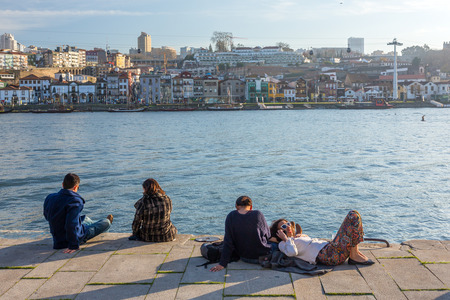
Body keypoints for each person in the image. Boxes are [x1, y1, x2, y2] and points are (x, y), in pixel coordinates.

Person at [271, 210, 374, 266]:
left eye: (288, 224)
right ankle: (354, 256)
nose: (288, 226)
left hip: (330, 248)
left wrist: (299, 235)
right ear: (280, 233)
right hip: (328, 255)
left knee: (355, 215)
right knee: (352, 215)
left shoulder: (294, 239)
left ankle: (354, 253)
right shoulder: (283, 244)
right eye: (284, 226)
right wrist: (285, 238)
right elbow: (292, 253)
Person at [44, 173, 113, 253]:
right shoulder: (75, 201)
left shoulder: (50, 197)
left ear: (62, 185)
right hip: (72, 238)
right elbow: (71, 224)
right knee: (106, 223)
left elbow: (47, 216)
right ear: (76, 187)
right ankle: (103, 225)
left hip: (57, 238)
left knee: (85, 218)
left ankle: (91, 224)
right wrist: (73, 245)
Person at [210, 196, 272, 272]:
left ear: (236, 206)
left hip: (245, 257)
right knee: (279, 243)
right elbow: (268, 235)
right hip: (263, 255)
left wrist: (222, 263)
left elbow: (228, 241)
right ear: (251, 206)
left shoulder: (231, 216)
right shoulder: (258, 214)